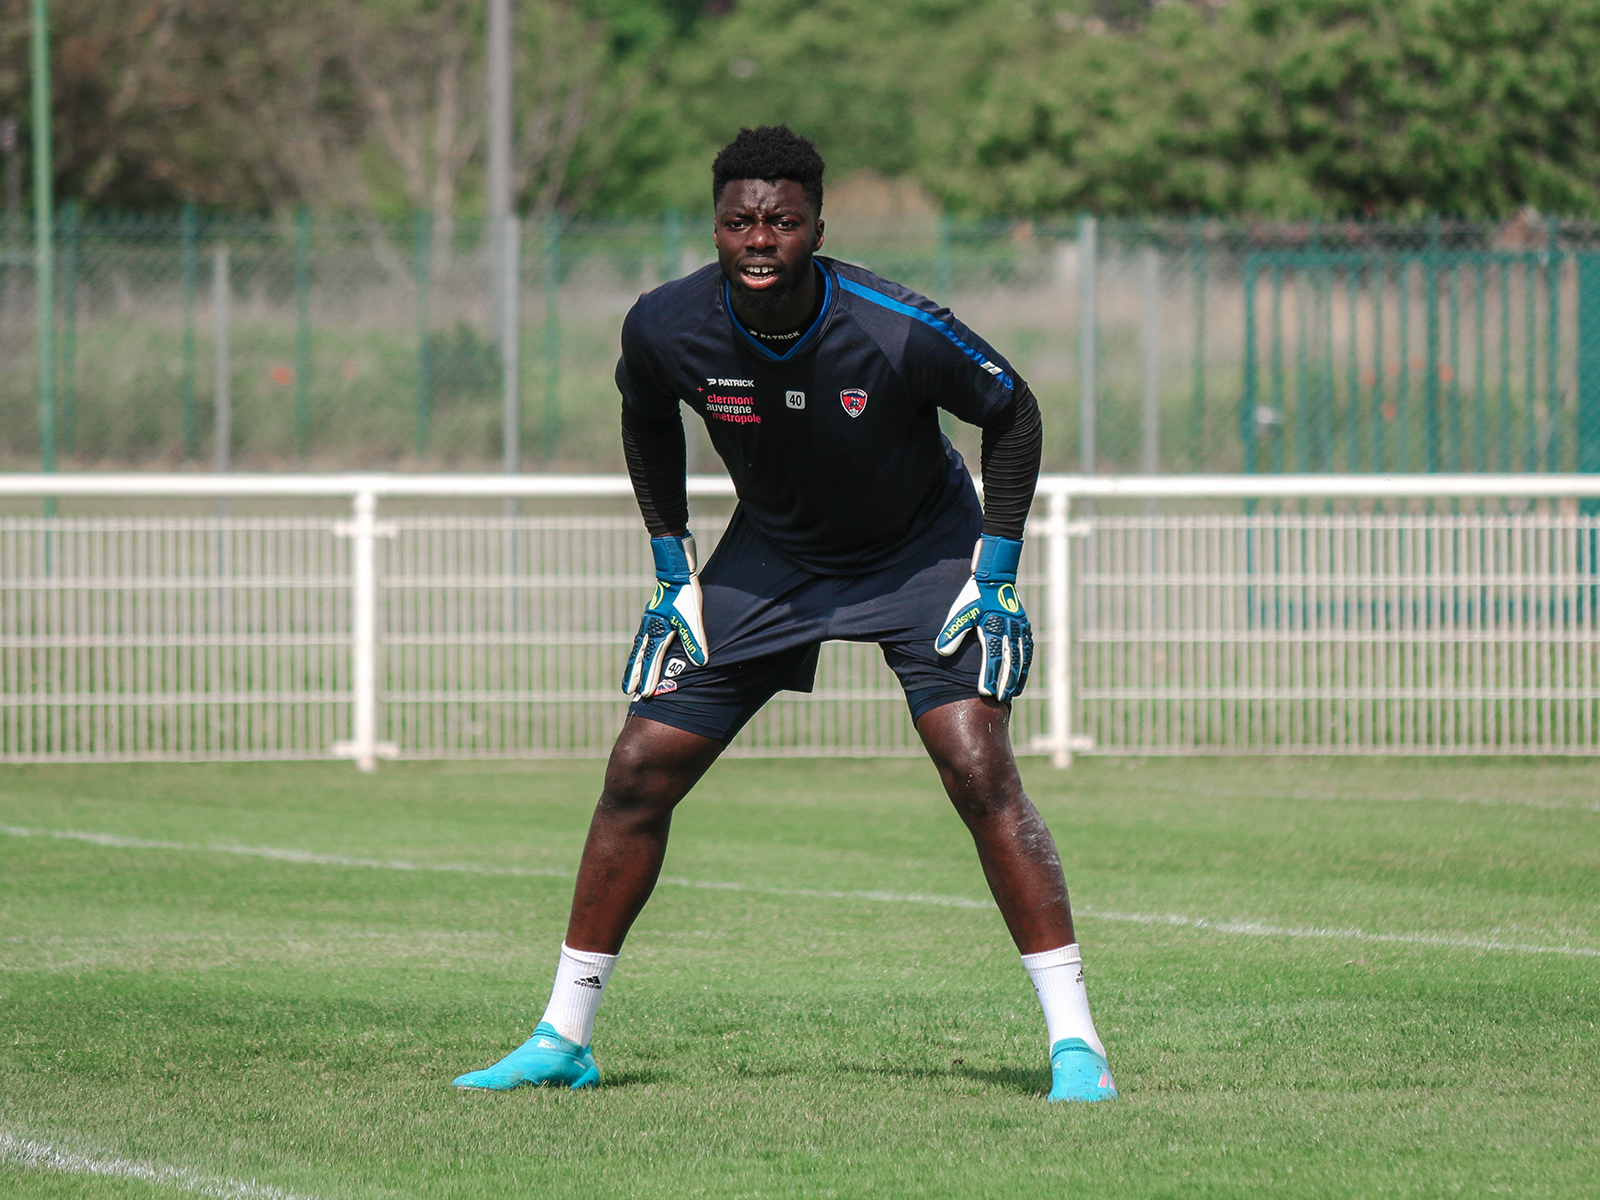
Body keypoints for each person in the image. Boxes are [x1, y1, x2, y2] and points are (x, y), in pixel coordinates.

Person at [451, 125, 1115, 1103]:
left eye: (780, 221)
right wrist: (671, 564)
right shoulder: (665, 325)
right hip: (771, 561)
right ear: (714, 227)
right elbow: (643, 412)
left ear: (814, 227)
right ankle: (563, 1036)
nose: (758, 239)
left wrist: (999, 567)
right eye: (738, 222)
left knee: (977, 766)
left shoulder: (895, 325)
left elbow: (1012, 411)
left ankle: (1076, 1049)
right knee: (638, 767)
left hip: (920, 554)